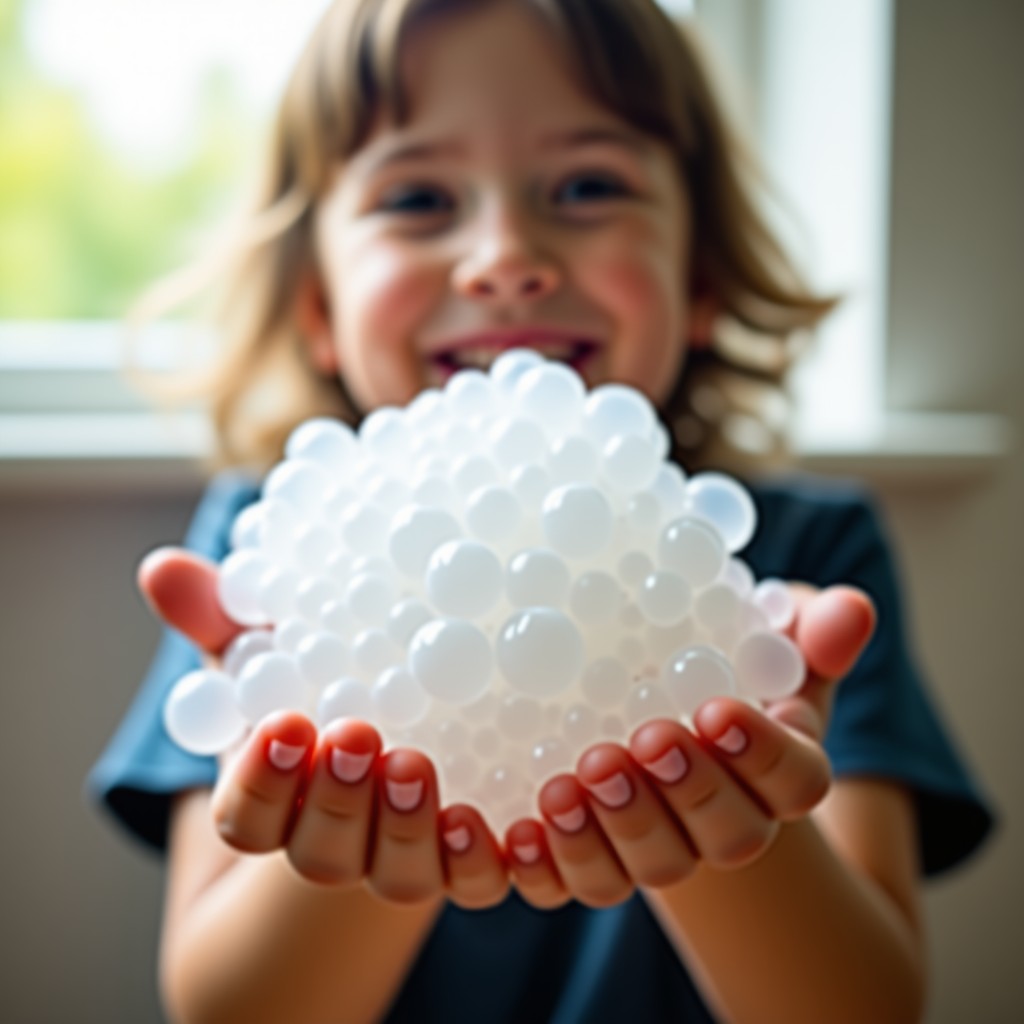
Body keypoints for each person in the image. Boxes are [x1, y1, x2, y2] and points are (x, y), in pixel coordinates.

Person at [89, 2, 994, 1022]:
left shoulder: (804, 564)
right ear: (316, 308)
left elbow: (860, 1008)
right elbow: (230, 1008)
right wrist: (376, 793)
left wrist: (712, 803)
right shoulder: (265, 559)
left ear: (698, 278)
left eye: (587, 185)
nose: (505, 255)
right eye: (420, 197)